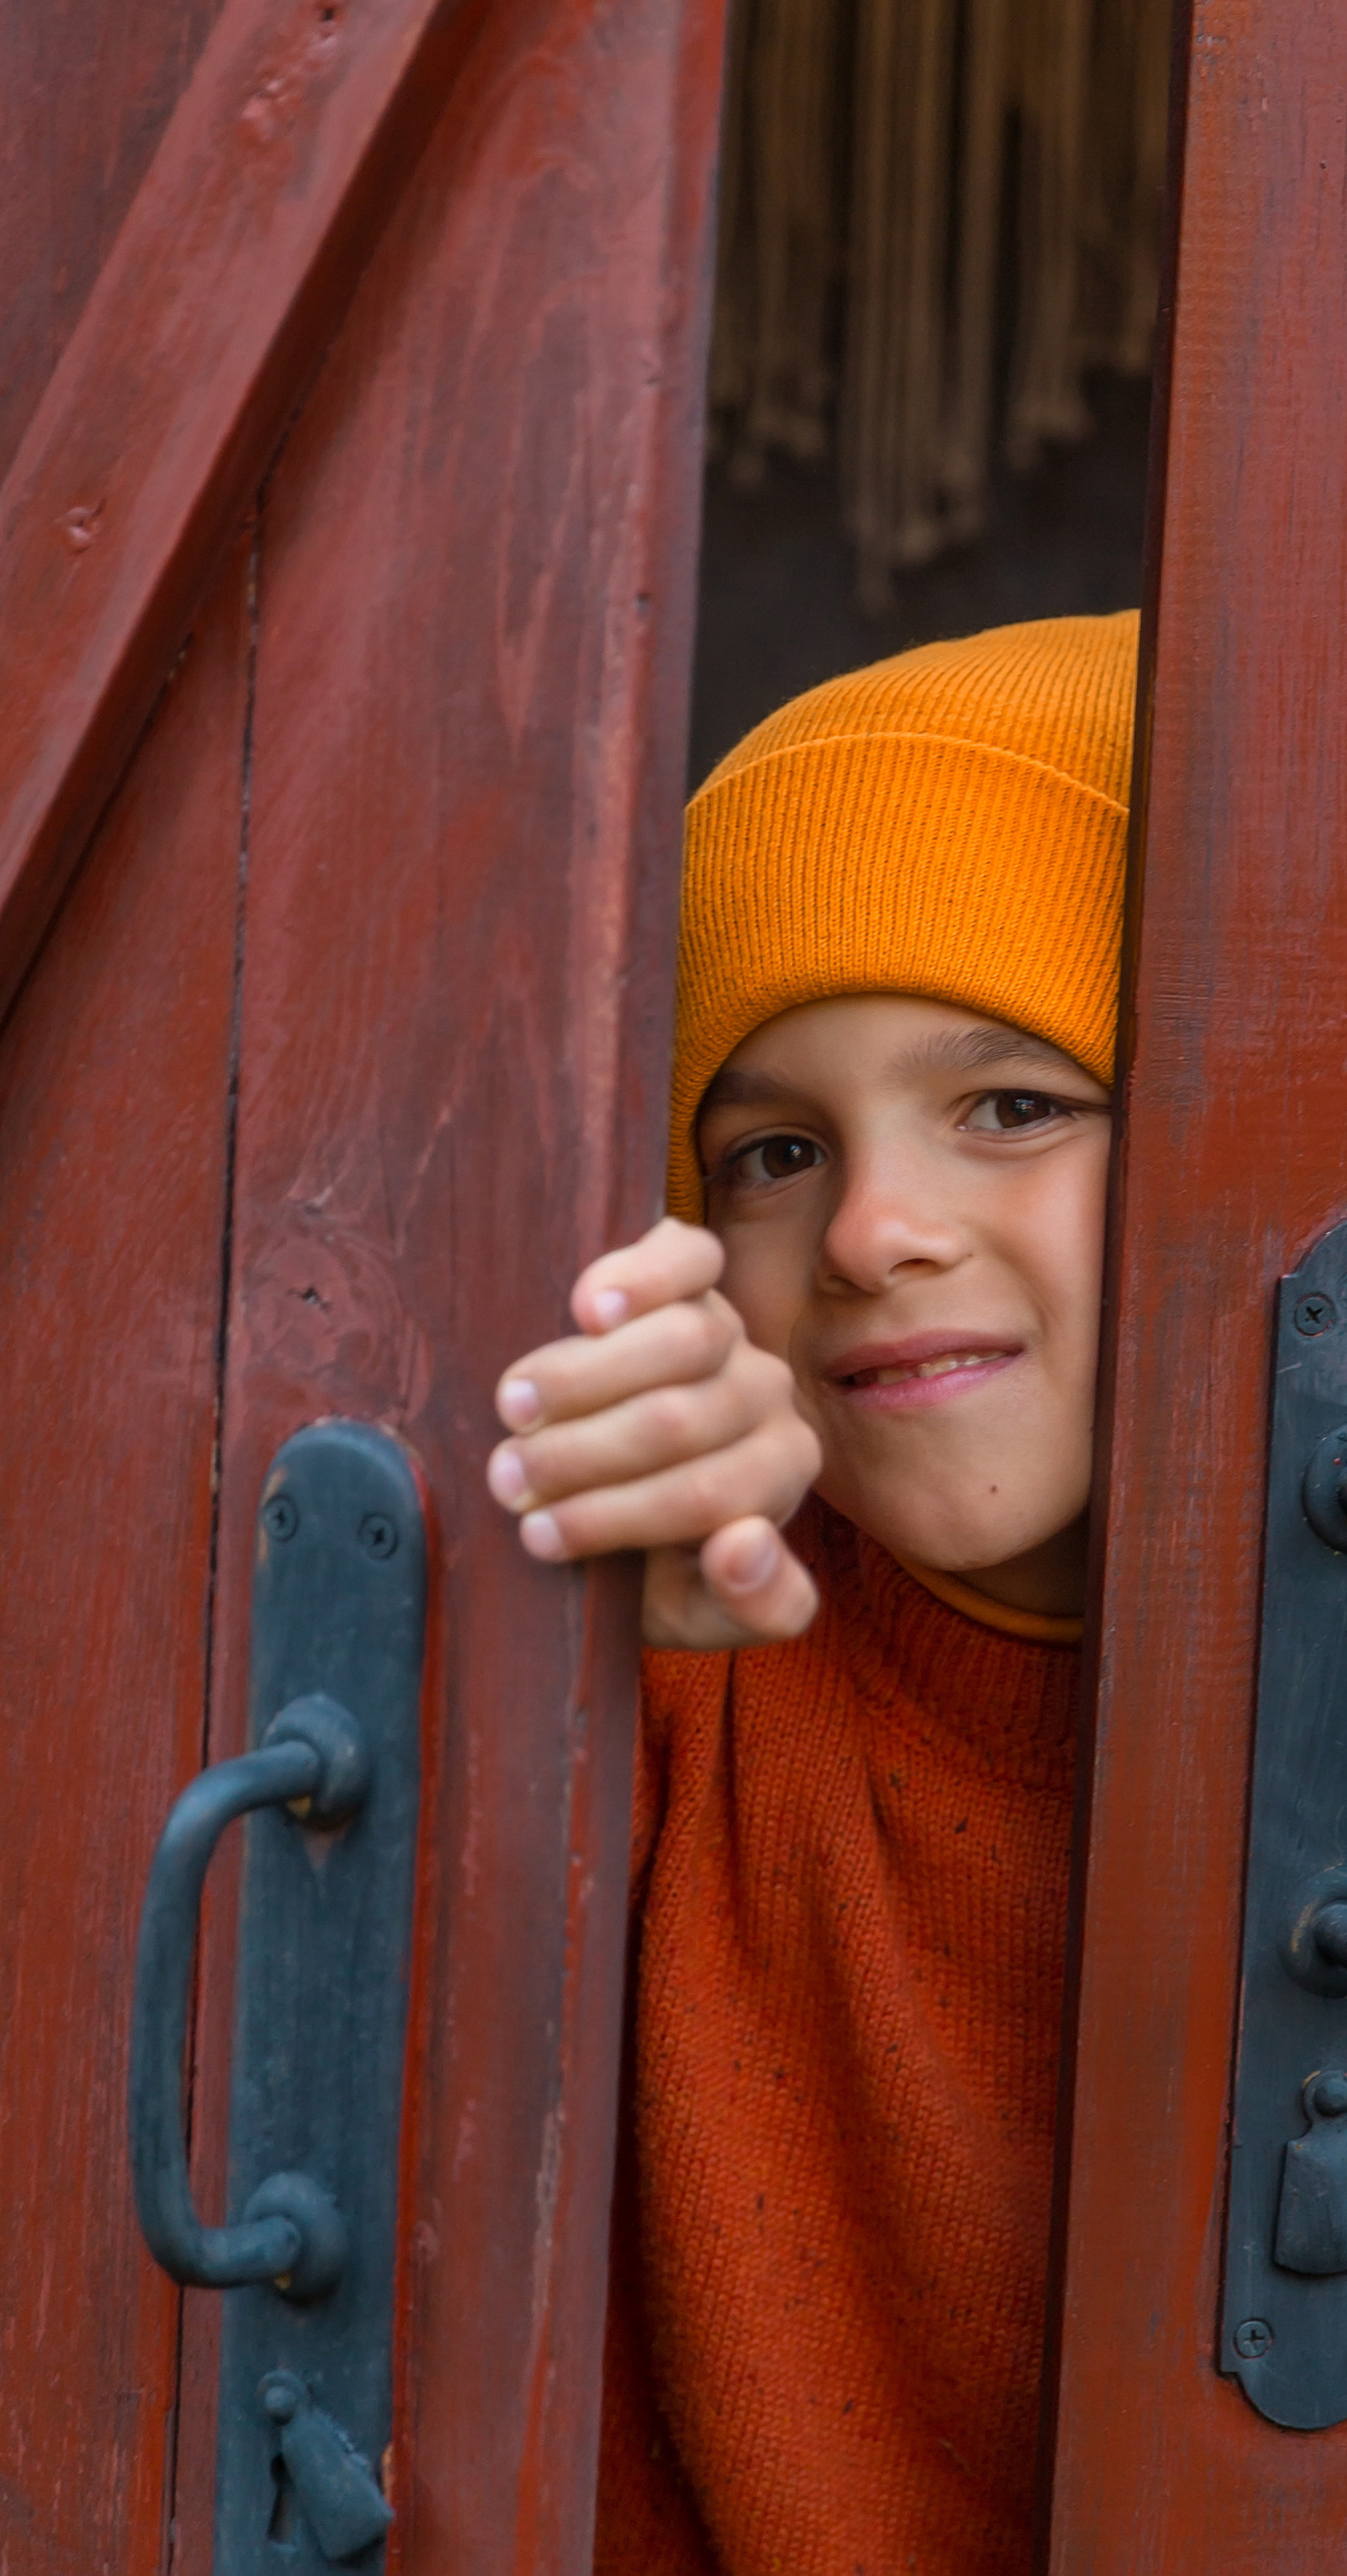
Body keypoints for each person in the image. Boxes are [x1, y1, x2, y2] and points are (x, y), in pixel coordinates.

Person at [485, 613, 1137, 2575]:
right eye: (774, 1151)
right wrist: (567, 1675)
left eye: (1013, 1105)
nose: (870, 1232)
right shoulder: (677, 1641)